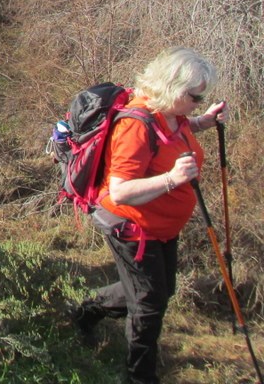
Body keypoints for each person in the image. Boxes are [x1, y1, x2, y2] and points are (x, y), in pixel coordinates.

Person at [71, 47, 226, 384]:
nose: (199, 102)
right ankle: (139, 376)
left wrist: (203, 121)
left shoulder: (171, 114)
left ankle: (85, 312)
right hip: (131, 228)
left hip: (160, 227)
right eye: (196, 98)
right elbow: (121, 190)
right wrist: (172, 179)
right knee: (149, 303)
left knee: (161, 290)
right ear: (175, 89)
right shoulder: (136, 125)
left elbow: (172, 135)